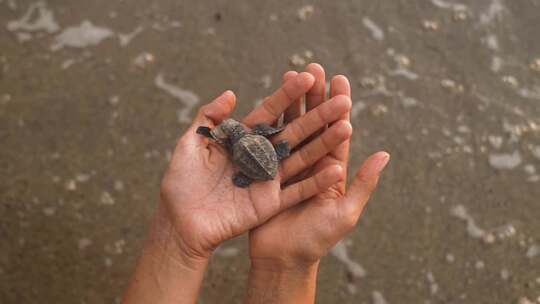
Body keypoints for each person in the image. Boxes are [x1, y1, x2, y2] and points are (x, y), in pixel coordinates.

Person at [121, 63, 390, 304]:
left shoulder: (231, 144)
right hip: (269, 157)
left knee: (257, 157)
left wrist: (178, 234)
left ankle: (251, 172)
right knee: (276, 147)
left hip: (256, 165)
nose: (231, 128)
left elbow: (225, 137)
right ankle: (265, 163)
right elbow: (266, 132)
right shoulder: (256, 133)